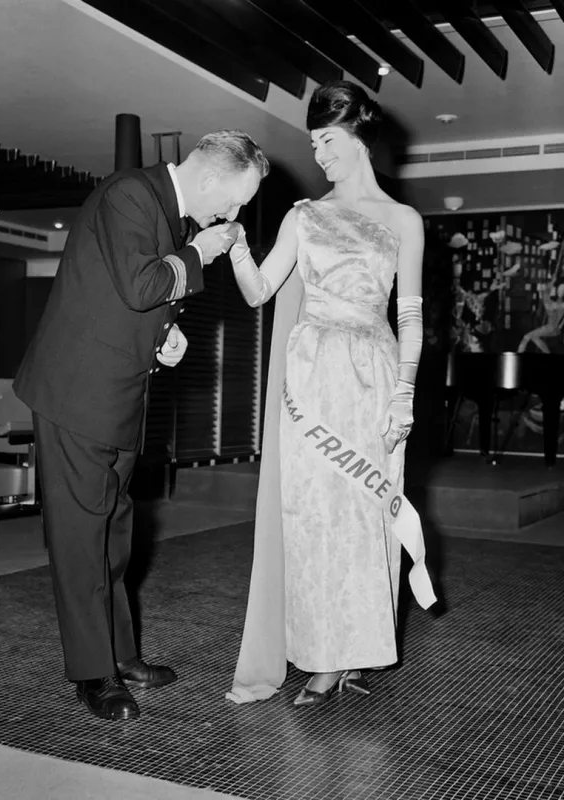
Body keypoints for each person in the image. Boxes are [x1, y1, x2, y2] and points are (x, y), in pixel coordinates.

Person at [14, 130, 269, 721]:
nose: (231, 216)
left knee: (114, 534)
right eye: (233, 202)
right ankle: (92, 673)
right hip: (75, 393)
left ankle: (121, 654)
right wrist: (201, 253)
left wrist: (164, 337)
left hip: (119, 395)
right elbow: (140, 284)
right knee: (82, 540)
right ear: (210, 178)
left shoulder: (168, 213)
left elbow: (129, 300)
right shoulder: (130, 193)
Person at [225, 82, 436, 708]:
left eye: (328, 140)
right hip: (310, 376)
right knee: (313, 514)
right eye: (313, 142)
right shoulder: (302, 215)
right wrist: (238, 247)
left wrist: (406, 395)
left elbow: (412, 317)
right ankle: (320, 658)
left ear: (358, 136)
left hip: (371, 374)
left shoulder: (403, 220)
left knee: (365, 513)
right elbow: (260, 291)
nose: (319, 154)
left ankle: (358, 649)